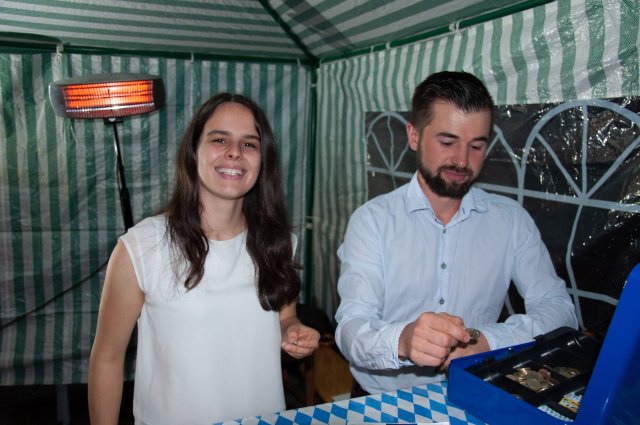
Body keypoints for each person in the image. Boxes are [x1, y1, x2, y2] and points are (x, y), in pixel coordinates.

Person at [334, 71, 578, 396]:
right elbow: (351, 326)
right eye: (447, 142)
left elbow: (560, 309)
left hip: (475, 392)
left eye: (476, 145)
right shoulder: (372, 221)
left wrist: (489, 341)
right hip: (382, 399)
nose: (462, 160)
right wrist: (403, 340)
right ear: (414, 136)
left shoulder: (511, 221)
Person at [88, 93, 320, 425]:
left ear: (262, 160)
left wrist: (293, 331)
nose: (234, 153)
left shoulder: (278, 242)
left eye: (249, 144)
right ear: (193, 151)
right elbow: (107, 360)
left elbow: (285, 317)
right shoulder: (142, 247)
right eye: (219, 139)